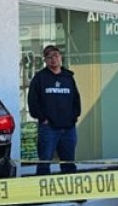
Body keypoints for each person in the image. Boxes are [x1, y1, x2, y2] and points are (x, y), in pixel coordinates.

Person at [27, 45, 81, 175]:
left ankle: (71, 193)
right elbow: (33, 101)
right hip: (48, 128)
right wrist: (42, 118)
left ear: (60, 57)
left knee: (68, 164)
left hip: (68, 128)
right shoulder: (40, 78)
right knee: (44, 163)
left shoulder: (68, 78)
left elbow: (76, 99)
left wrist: (74, 117)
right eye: (49, 57)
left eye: (55, 55)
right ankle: (43, 193)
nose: (53, 59)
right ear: (45, 60)